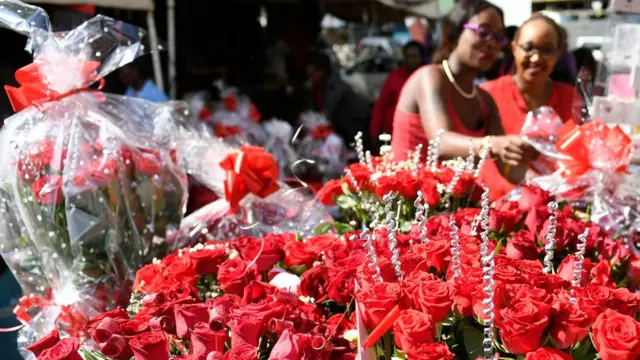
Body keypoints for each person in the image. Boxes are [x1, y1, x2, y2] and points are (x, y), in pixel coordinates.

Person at [391, 0, 537, 193]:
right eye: (483, 32)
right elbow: (440, 143)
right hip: (406, 210)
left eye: (498, 37)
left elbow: (511, 170)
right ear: (454, 31)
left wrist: (552, 183)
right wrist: (493, 144)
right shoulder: (429, 77)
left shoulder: (485, 101)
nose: (491, 43)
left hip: (453, 213)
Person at [481, 13, 579, 198]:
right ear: (513, 48)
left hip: (559, 209)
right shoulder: (487, 94)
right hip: (495, 214)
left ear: (558, 54)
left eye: (547, 49)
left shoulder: (571, 98)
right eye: (528, 48)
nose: (535, 58)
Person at [308, 52, 372, 149]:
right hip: (347, 131)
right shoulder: (321, 87)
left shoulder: (336, 87)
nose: (310, 79)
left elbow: (326, 116)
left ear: (321, 72)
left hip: (357, 131)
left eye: (311, 74)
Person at [370, 41, 424, 146]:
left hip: (420, 134)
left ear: (421, 57)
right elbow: (381, 106)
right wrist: (374, 132)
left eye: (414, 56)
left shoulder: (427, 77)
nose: (411, 60)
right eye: (408, 56)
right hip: (394, 133)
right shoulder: (395, 77)